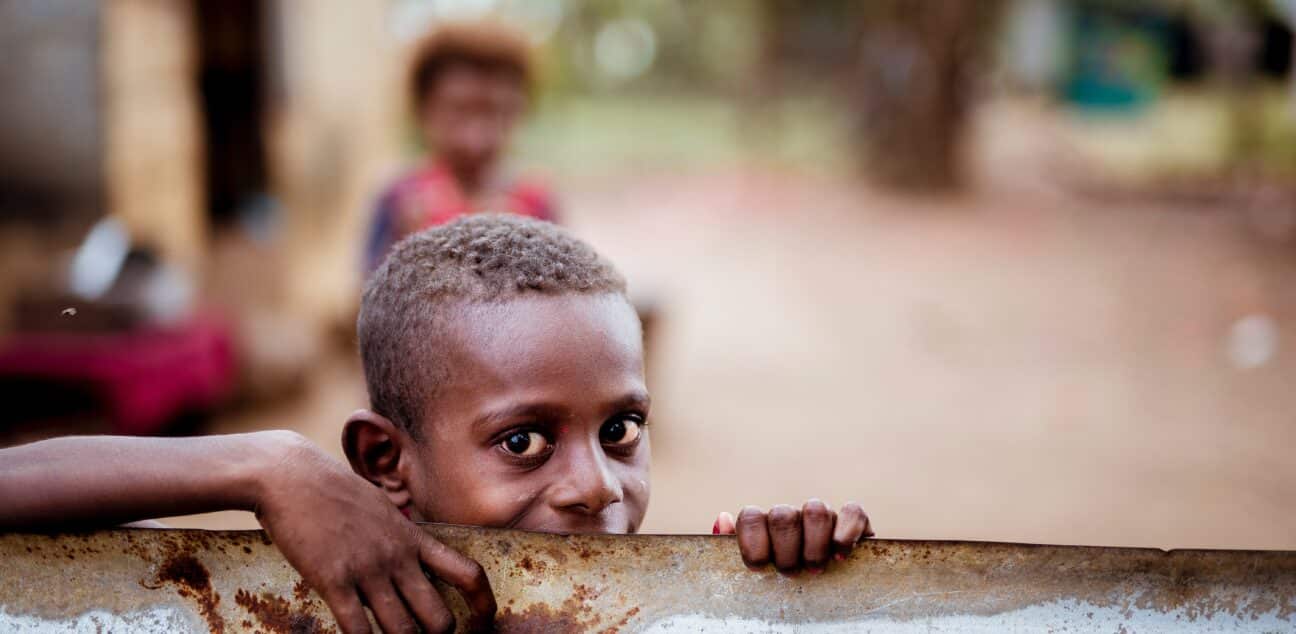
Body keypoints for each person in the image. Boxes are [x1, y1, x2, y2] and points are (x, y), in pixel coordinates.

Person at [0, 215, 873, 634]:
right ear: (385, 461)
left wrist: (792, 589)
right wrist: (265, 466)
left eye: (622, 429)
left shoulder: (659, 607)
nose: (597, 486)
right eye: (523, 440)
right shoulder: (334, 601)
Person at [364, 21, 557, 274]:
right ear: (424, 110)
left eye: (494, 113)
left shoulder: (536, 203)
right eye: (458, 112)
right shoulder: (399, 200)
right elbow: (367, 300)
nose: (474, 139)